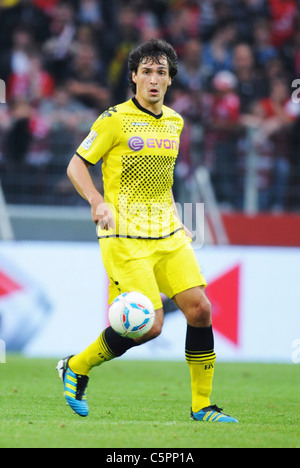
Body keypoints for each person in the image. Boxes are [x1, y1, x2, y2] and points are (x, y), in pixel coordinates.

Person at [56, 38, 238, 424]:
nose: (154, 80)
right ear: (134, 76)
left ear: (171, 80)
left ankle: (202, 406)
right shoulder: (113, 120)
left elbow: (162, 179)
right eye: (147, 72)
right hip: (123, 235)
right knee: (150, 326)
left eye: (162, 73)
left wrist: (175, 217)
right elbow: (76, 165)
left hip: (167, 232)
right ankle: (77, 366)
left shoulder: (175, 121)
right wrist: (96, 200)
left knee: (200, 310)